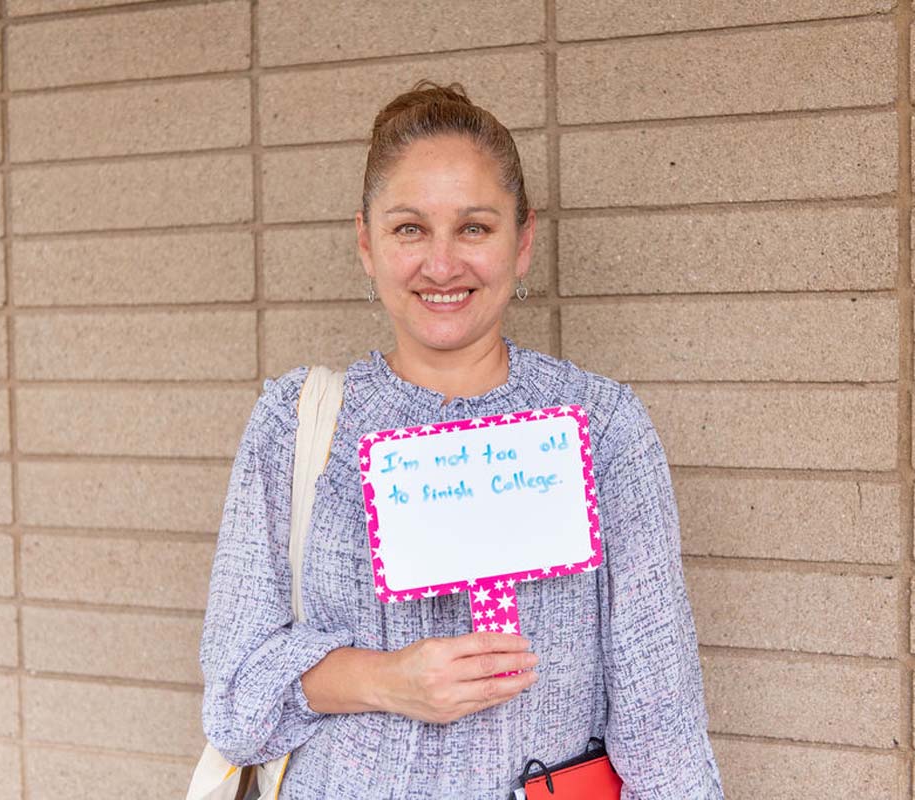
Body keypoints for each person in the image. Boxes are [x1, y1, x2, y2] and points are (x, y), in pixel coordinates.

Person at [199, 80, 725, 799]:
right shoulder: (298, 424)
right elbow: (233, 702)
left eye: (474, 227)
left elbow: (660, 722)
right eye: (410, 228)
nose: (441, 264)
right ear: (366, 243)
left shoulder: (601, 429)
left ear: (523, 242)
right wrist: (387, 680)